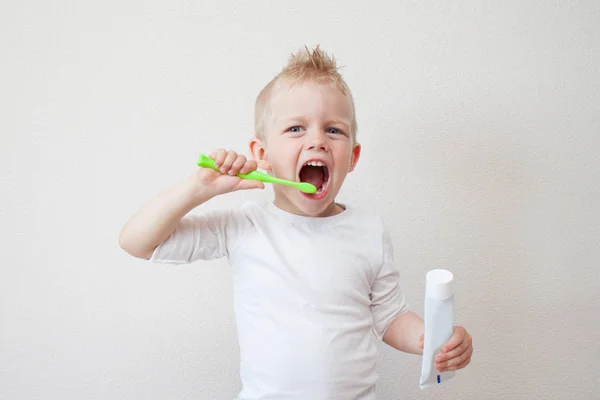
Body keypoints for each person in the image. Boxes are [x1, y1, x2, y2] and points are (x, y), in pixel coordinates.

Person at [119, 45, 473, 399]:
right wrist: (198, 189)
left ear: (353, 156)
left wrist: (433, 341)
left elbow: (391, 318)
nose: (317, 140)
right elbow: (137, 242)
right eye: (296, 129)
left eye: (334, 130)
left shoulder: (369, 230)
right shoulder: (244, 225)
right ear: (263, 155)